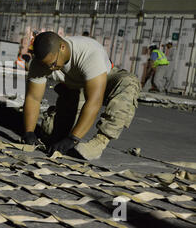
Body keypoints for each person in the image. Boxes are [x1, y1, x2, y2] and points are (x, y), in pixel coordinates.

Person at [22, 32, 141, 160]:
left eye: (53, 63)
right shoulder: (41, 63)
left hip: (103, 81)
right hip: (74, 88)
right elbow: (33, 98)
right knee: (53, 137)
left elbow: (94, 101)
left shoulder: (89, 53)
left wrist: (73, 139)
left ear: (62, 47)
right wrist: (29, 132)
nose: (51, 68)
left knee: (129, 82)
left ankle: (100, 142)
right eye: (47, 65)